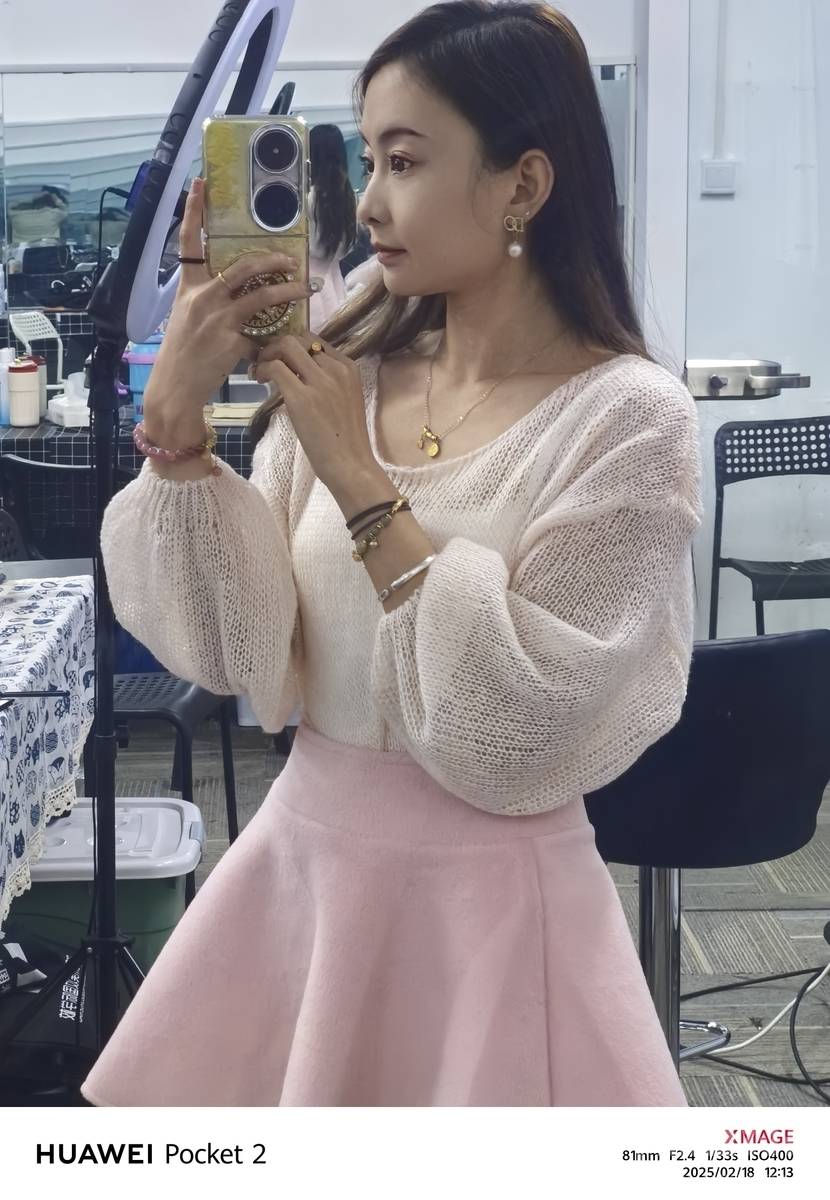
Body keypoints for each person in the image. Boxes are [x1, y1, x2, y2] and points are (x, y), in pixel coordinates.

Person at [81, 1, 701, 1107]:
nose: (366, 202)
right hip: (306, 875)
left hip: (493, 918)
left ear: (522, 185)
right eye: (367, 159)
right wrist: (175, 422)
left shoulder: (626, 421)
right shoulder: (351, 373)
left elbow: (518, 730)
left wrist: (362, 486)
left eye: (403, 162)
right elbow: (234, 651)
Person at [307, 123, 357, 329]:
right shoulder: (348, 195)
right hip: (335, 279)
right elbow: (346, 246)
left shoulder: (307, 197)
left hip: (310, 282)